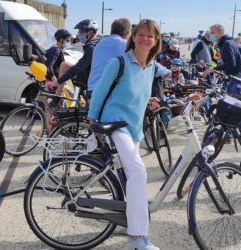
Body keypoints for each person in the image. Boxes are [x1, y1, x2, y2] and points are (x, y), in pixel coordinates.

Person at [88, 19, 161, 250]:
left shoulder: (150, 67)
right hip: (115, 124)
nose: (145, 39)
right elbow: (99, 93)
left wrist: (150, 101)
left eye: (150, 36)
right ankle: (137, 237)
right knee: (138, 173)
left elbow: (136, 91)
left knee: (131, 177)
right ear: (133, 37)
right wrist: (92, 120)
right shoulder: (118, 62)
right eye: (141, 34)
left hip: (134, 128)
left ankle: (131, 220)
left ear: (156, 41)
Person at [46, 19, 100, 94]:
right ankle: (59, 95)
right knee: (65, 66)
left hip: (91, 79)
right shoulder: (97, 43)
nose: (79, 34)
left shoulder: (91, 48)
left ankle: (56, 98)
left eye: (81, 32)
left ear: (90, 32)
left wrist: (57, 82)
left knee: (65, 66)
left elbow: (78, 67)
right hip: (92, 76)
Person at [87, 18, 131, 99]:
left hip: (91, 90)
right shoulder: (126, 45)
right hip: (109, 93)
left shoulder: (99, 44)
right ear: (127, 33)